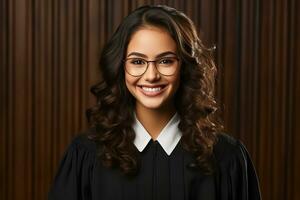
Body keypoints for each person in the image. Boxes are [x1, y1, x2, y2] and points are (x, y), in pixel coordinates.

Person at [48, 5, 261, 200]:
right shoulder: (86, 156)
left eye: (166, 61)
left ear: (185, 66)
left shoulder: (227, 158)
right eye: (137, 62)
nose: (151, 75)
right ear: (120, 67)